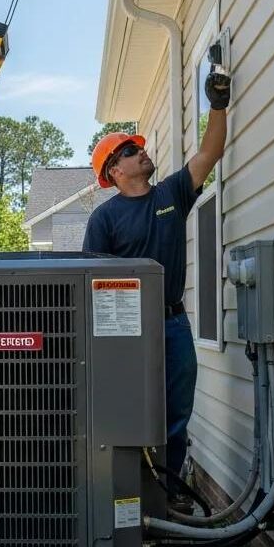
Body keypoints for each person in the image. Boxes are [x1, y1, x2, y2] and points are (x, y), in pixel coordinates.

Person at [82, 71, 231, 513]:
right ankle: (133, 498)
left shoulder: (171, 194)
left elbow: (210, 152)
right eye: (130, 150)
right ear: (115, 170)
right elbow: (93, 287)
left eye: (139, 146)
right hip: (125, 331)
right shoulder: (104, 221)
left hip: (172, 323)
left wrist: (218, 106)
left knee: (176, 415)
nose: (142, 151)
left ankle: (163, 499)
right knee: (130, 413)